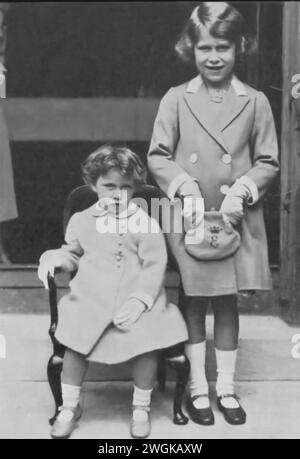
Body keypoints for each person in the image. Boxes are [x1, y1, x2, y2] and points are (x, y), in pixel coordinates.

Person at [147, 2, 279, 426]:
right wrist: (183, 186)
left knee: (226, 304)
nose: (214, 56)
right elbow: (158, 156)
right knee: (193, 301)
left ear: (239, 46)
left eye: (223, 46)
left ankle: (226, 388)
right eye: (205, 47)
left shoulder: (255, 102)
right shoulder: (175, 99)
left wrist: (243, 190)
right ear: (191, 48)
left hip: (232, 216)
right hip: (191, 216)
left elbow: (268, 161)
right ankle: (197, 389)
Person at [38, 144, 188, 439]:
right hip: (92, 298)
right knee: (75, 340)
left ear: (134, 189)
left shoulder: (145, 222)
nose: (117, 194)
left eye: (126, 187)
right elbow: (73, 253)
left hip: (138, 299)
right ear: (93, 185)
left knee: (147, 340)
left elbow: (155, 263)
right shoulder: (82, 220)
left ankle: (141, 407)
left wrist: (141, 299)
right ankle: (69, 407)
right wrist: (54, 258)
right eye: (109, 186)